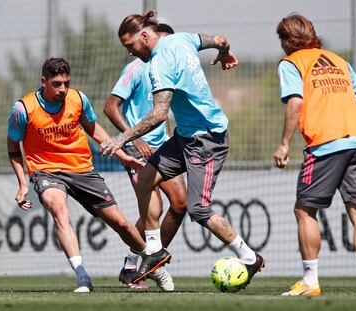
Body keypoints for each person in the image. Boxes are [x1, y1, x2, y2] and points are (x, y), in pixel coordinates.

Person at [101, 11, 265, 287]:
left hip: (207, 140)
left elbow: (159, 114)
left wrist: (122, 138)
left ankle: (249, 258)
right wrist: (225, 52)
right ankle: (154, 250)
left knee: (198, 210)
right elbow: (220, 39)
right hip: (185, 137)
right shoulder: (182, 40)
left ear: (144, 35)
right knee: (145, 179)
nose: (130, 53)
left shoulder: (158, 63)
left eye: (130, 46)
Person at [7, 57, 147, 293]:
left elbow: (93, 129)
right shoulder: (23, 109)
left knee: (121, 223)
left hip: (82, 168)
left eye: (66, 83)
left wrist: (122, 155)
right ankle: (82, 277)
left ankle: (153, 261)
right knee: (59, 210)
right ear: (43, 82)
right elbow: (13, 147)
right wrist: (22, 184)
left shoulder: (78, 99)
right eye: (56, 84)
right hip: (46, 171)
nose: (62, 89)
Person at [274, 14, 356, 296]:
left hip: (325, 145)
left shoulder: (291, 63)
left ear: (286, 41)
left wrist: (284, 144)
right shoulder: (339, 60)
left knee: (304, 209)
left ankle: (310, 281)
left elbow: (295, 102)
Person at [104, 23, 186, 292]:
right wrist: (133, 138)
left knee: (180, 204)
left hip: (162, 147)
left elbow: (162, 111)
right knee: (155, 209)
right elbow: (110, 106)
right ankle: (135, 265)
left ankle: (148, 260)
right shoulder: (135, 68)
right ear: (153, 38)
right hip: (136, 149)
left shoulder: (167, 67)